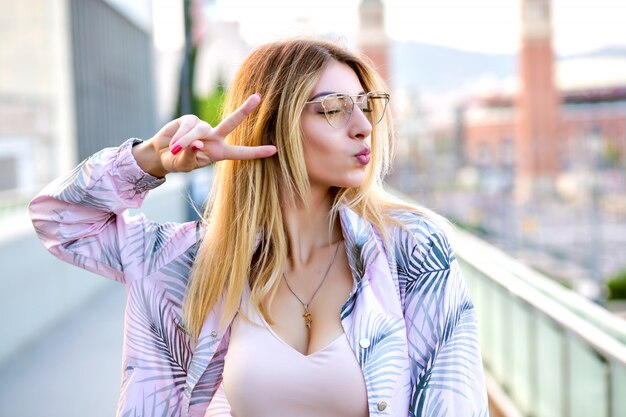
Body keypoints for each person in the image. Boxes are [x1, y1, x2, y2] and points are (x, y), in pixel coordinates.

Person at [29, 38, 488, 417]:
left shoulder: (411, 250)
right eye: (333, 109)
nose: (362, 126)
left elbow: (453, 401)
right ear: (272, 125)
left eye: (368, 106)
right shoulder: (193, 263)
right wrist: (152, 158)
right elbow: (59, 221)